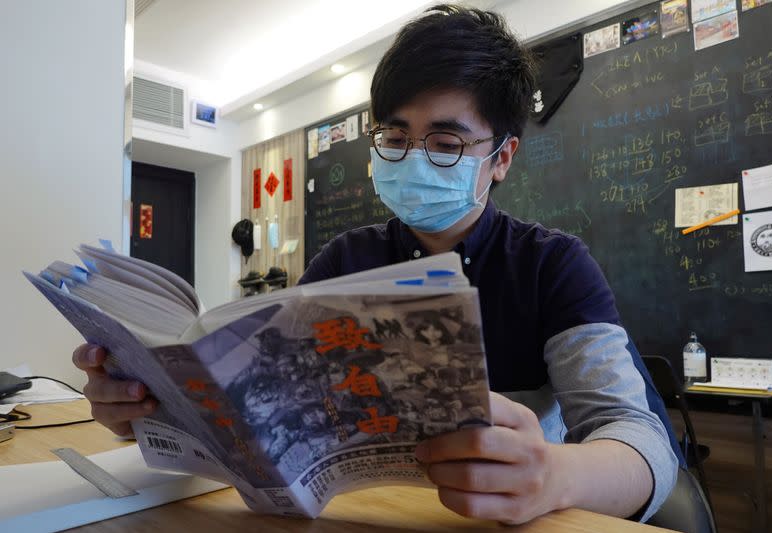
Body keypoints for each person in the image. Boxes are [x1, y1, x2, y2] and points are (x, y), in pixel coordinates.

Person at [72, 4, 680, 525]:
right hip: (362, 516)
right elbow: (265, 411)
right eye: (395, 137)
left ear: (501, 158)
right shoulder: (346, 260)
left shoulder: (553, 266)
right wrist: (151, 414)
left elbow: (641, 441)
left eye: (445, 144)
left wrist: (555, 475)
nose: (413, 159)